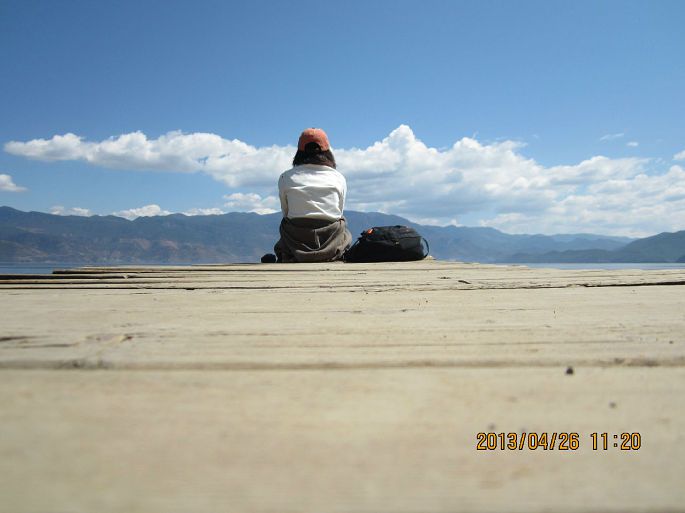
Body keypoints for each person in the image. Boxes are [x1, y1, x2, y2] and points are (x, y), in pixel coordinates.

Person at [270, 128, 352, 263]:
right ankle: (331, 253)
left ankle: (293, 254)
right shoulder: (338, 177)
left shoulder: (286, 177)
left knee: (286, 223)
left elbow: (286, 212)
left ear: (299, 152)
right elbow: (339, 212)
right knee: (343, 228)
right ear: (327, 151)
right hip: (330, 238)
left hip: (296, 238)